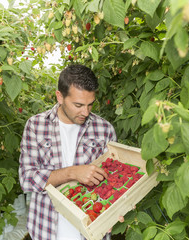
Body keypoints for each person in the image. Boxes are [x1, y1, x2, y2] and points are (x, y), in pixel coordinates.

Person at [19, 64, 118, 240]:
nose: (86, 112)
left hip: (90, 231)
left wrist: (116, 209)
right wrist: (73, 173)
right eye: (78, 105)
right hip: (46, 229)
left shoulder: (104, 129)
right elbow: (27, 179)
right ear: (60, 96)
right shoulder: (36, 126)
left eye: (90, 105)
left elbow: (112, 182)